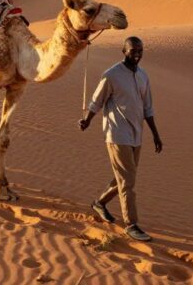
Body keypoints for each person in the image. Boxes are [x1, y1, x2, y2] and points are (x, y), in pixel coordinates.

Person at [78, 37, 163, 242]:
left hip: (136, 135)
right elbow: (96, 101)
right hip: (116, 134)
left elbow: (147, 108)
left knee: (125, 177)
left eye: (140, 50)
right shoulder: (111, 75)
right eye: (133, 50)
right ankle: (131, 224)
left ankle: (99, 203)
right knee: (128, 181)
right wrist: (87, 120)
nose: (137, 54)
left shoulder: (143, 76)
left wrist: (155, 134)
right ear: (124, 51)